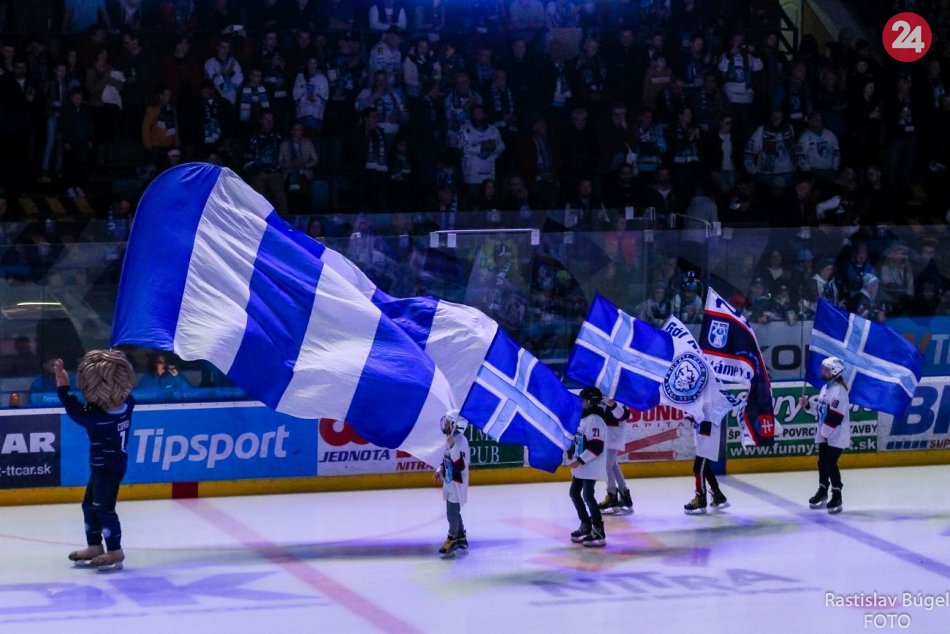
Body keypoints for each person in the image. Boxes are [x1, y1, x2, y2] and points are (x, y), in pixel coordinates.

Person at [55, 350, 135, 571]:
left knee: (103, 508)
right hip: (107, 465)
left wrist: (63, 387)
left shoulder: (98, 419)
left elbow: (76, 412)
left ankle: (115, 550)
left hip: (108, 467)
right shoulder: (128, 404)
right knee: (89, 505)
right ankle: (94, 546)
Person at [798, 356, 849, 514]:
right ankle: (822, 490)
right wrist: (808, 405)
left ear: (834, 371)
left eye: (826, 369)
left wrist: (825, 433)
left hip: (835, 434)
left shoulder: (839, 391)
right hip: (825, 434)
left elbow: (836, 416)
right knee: (822, 463)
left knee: (830, 463)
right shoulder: (826, 388)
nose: (822, 371)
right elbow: (821, 410)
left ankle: (837, 495)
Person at [568, 387, 607, 548]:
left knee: (588, 496)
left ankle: (598, 530)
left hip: (590, 466)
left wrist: (580, 460)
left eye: (583, 400)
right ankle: (586, 524)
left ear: (591, 402)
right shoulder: (583, 418)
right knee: (574, 493)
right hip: (582, 467)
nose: (580, 402)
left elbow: (596, 446)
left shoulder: (595, 420)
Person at [434, 409, 469, 558]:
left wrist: (453, 446)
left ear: (454, 424)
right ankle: (461, 536)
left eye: (448, 422)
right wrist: (440, 469)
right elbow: (446, 458)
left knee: (451, 512)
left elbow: (460, 465)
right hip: (449, 480)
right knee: (454, 511)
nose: (445, 424)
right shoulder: (450, 439)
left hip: (457, 483)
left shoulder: (461, 441)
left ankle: (452, 538)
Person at [683, 415, 730, 514]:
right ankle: (717, 494)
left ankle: (700, 498)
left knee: (698, 467)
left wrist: (693, 414)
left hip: (707, 431)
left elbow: (705, 411)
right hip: (705, 431)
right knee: (704, 467)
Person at [597, 398, 633, 515]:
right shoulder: (606, 396)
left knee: (607, 466)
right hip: (608, 436)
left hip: (613, 437)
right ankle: (625, 496)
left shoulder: (619, 398)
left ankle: (612, 495)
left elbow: (623, 415)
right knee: (613, 466)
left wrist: (612, 404)